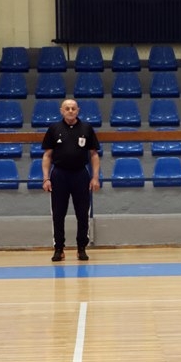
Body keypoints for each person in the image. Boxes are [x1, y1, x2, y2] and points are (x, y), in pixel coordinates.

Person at [41, 98, 101, 262]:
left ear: (78, 110)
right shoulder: (54, 128)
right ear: (61, 111)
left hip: (80, 174)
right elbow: (47, 155)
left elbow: (94, 154)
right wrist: (46, 178)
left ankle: (81, 248)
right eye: (67, 108)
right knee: (58, 213)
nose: (70, 111)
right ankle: (59, 248)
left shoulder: (86, 128)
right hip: (59, 175)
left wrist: (95, 177)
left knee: (82, 213)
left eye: (73, 108)